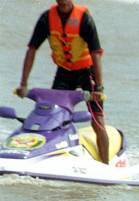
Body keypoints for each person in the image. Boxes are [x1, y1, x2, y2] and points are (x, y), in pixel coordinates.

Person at [16, 0, 110, 164]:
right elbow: (32, 49)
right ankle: (49, 158)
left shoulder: (84, 18)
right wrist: (23, 83)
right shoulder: (47, 19)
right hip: (64, 72)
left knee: (97, 120)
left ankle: (106, 165)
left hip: (88, 72)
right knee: (51, 117)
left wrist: (99, 87)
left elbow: (96, 52)